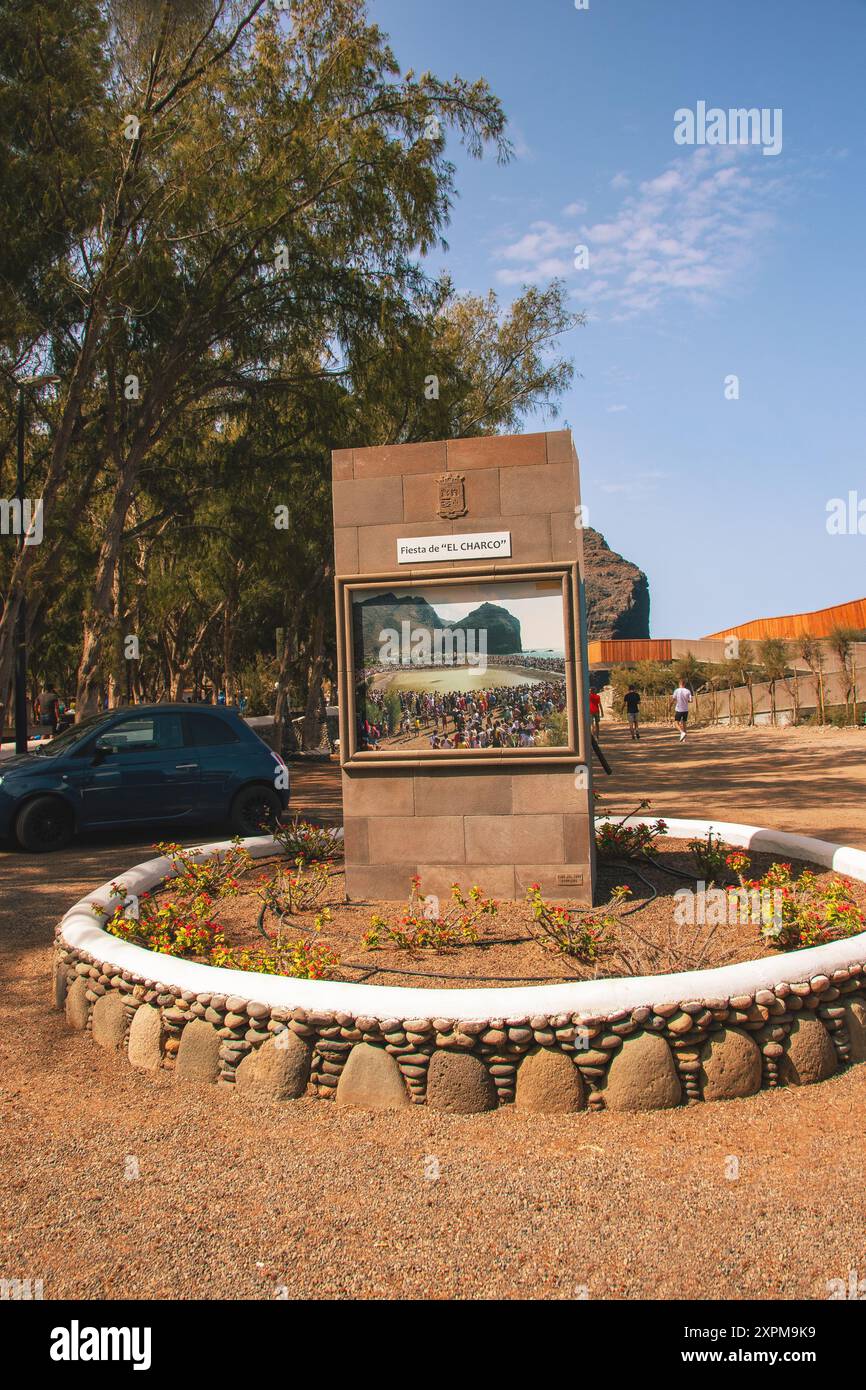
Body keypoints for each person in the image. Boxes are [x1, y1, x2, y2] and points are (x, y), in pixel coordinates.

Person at [672, 677, 693, 742]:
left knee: (676, 723)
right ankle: (684, 739)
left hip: (679, 709)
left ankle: (682, 732)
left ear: (680, 683)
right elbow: (691, 700)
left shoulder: (676, 690)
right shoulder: (688, 691)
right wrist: (686, 701)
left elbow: (673, 699)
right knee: (684, 723)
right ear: (684, 684)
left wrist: (670, 706)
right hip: (685, 709)